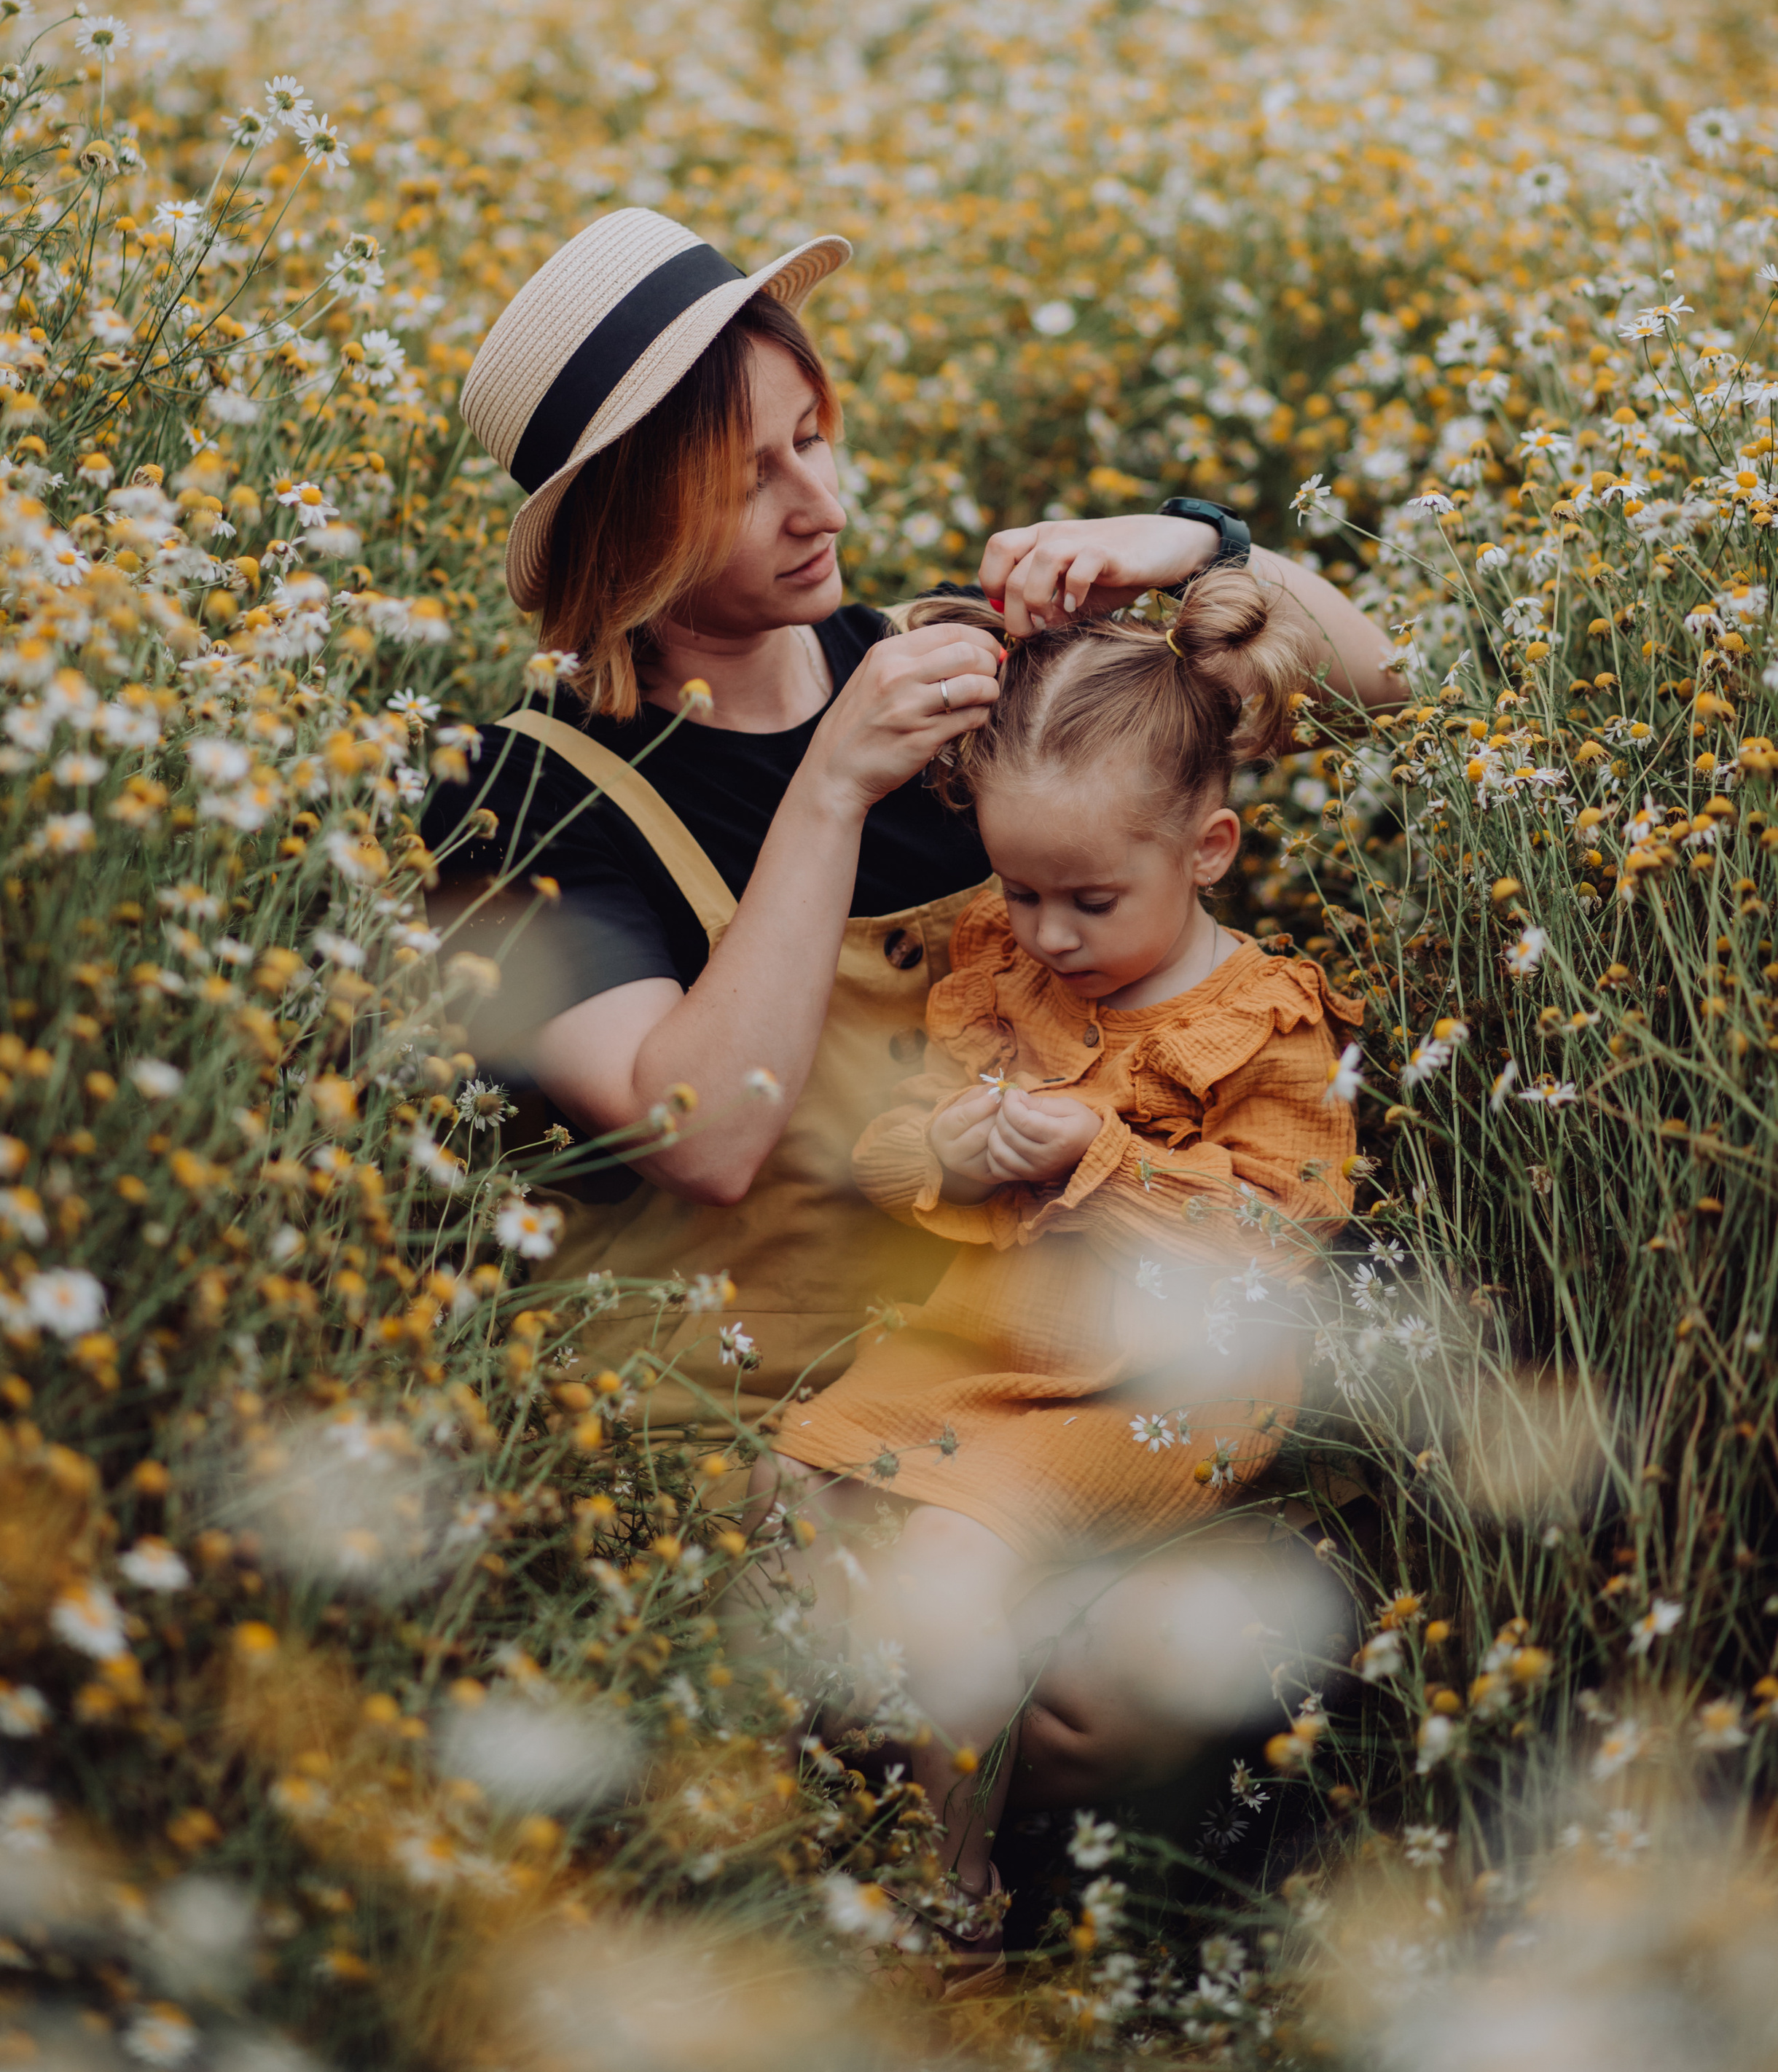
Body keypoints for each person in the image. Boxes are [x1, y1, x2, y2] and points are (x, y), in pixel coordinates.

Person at [423, 203, 1405, 1805]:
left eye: (816, 436)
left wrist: (1204, 551)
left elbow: (1386, 704)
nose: (825, 503)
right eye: (752, 475)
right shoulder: (522, 796)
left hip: (1021, 1366)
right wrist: (829, 788)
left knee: (1119, 1685)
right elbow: (701, 1140)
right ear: (628, 525)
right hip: (745, 1420)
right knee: (922, 1653)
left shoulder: (946, 668)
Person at [756, 571, 1361, 1931]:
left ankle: (951, 1895)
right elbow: (891, 1155)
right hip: (976, 1349)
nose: (1045, 933)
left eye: (1088, 898)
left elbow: (1276, 1239)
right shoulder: (1006, 964)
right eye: (1021, 891)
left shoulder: (1263, 1020)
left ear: (1209, 849)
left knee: (954, 1572)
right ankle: (790, 1815)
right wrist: (953, 1155)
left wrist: (1093, 1157)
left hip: (1141, 1392)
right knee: (777, 1503)